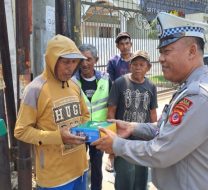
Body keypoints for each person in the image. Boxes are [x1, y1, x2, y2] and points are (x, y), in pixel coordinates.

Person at [92, 12, 208, 190]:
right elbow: (166, 128)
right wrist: (133, 127)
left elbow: (161, 151)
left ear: (192, 51)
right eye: (160, 52)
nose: (161, 58)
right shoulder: (189, 88)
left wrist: (117, 145)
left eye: (166, 51)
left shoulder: (199, 96)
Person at [15, 34, 90, 190]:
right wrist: (58, 137)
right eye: (65, 62)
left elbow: (85, 115)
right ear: (52, 60)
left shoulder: (74, 84)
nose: (70, 67)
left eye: (74, 62)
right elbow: (21, 131)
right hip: (54, 177)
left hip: (80, 168)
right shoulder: (35, 90)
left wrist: (87, 131)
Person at [107, 50, 158, 190]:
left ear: (148, 67)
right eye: (135, 64)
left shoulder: (151, 86)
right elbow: (111, 112)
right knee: (124, 179)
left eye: (142, 65)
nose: (138, 68)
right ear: (130, 66)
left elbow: (153, 114)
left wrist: (155, 138)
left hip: (142, 142)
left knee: (141, 179)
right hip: (123, 141)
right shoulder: (120, 83)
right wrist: (111, 139)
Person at [72, 44, 112, 190]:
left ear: (96, 60)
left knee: (96, 167)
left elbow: (112, 106)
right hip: (78, 132)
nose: (84, 63)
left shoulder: (106, 80)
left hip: (98, 132)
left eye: (88, 59)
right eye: (81, 59)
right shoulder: (72, 82)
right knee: (77, 166)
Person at [106, 31, 133, 172]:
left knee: (132, 126)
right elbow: (110, 82)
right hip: (117, 100)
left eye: (127, 43)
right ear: (117, 46)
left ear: (131, 44)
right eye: (121, 44)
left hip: (134, 100)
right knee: (114, 127)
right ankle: (111, 157)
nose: (125, 46)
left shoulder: (136, 59)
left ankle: (130, 154)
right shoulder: (113, 62)